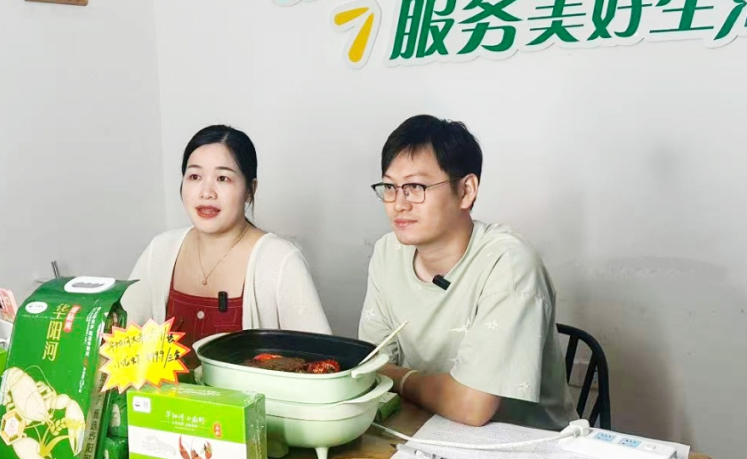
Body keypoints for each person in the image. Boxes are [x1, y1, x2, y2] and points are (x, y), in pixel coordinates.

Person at [359, 115, 573, 429]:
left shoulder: (508, 262)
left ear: (466, 190)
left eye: (415, 187)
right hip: (425, 433)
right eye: (390, 187)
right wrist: (388, 375)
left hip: (525, 447)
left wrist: (400, 379)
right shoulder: (387, 252)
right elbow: (370, 367)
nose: (398, 204)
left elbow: (472, 406)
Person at [123, 124, 331, 349]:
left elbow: (319, 355)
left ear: (250, 190)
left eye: (222, 178)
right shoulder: (160, 250)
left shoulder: (280, 260)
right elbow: (120, 339)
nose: (206, 192)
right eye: (194, 176)